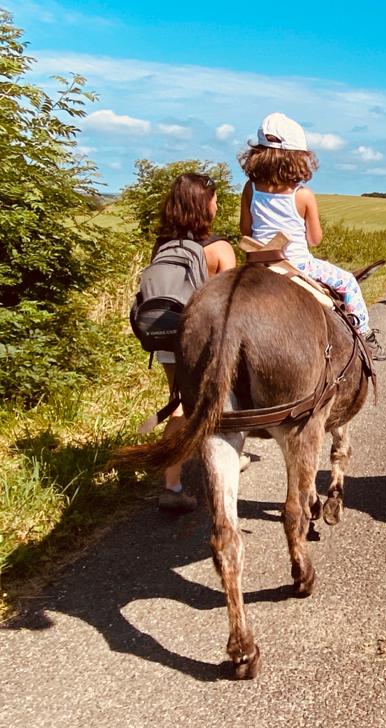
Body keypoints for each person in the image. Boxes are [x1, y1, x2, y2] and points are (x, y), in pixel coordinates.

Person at [238, 112, 386, 360]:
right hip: (297, 265)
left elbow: (246, 230)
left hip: (258, 265)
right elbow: (315, 240)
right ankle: (365, 336)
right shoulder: (303, 195)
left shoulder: (249, 188)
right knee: (348, 282)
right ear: (296, 158)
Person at [154, 173, 238, 512]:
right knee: (202, 407)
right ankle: (177, 483)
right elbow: (232, 303)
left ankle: (174, 482)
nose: (217, 205)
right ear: (203, 205)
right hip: (203, 342)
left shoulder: (163, 246)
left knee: (180, 401)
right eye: (214, 199)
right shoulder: (219, 248)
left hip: (166, 337)